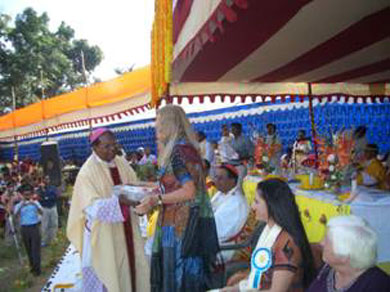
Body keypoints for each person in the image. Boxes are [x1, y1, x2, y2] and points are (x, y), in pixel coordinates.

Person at [135, 105, 219, 292]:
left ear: (168, 125)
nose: (156, 130)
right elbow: (174, 185)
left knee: (179, 278)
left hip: (180, 227)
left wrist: (155, 200)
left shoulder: (179, 153)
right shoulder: (186, 149)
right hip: (182, 224)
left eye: (158, 125)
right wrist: (140, 186)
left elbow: (189, 191)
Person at [67, 128, 149, 292]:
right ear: (95, 147)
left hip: (128, 228)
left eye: (114, 144)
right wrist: (120, 202)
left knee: (132, 271)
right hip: (104, 233)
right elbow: (92, 207)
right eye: (107, 146)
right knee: (109, 275)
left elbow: (134, 184)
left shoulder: (121, 162)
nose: (112, 149)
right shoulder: (87, 173)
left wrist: (143, 194)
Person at [222, 179, 315, 292]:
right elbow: (260, 275)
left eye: (256, 202)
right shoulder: (269, 230)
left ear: (272, 205)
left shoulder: (286, 243)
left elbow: (277, 290)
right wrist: (235, 289)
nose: (252, 207)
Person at [306, 215, 390, 291]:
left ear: (344, 256)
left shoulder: (378, 285)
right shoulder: (326, 270)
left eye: (327, 240)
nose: (321, 243)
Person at [211, 164, 249, 261]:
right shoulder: (221, 194)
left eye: (220, 178)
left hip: (225, 248)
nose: (216, 181)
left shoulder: (236, 202)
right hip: (215, 241)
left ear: (232, 181)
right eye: (216, 177)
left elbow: (219, 231)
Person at [14, 183, 43, 276]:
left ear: (31, 194)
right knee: (28, 249)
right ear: (22, 195)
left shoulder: (35, 203)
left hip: (34, 227)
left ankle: (37, 269)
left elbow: (42, 212)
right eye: (25, 195)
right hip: (24, 228)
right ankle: (32, 266)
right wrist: (21, 205)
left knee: (35, 249)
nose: (27, 196)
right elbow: (15, 215)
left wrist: (34, 204)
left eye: (29, 194)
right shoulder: (19, 205)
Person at [37, 175, 58, 247]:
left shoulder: (53, 188)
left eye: (48, 179)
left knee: (54, 223)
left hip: (53, 207)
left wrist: (46, 197)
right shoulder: (40, 189)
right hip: (45, 208)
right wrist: (43, 192)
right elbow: (40, 198)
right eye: (45, 179)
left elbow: (55, 196)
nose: (47, 180)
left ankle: (53, 239)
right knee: (44, 225)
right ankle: (44, 240)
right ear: (43, 180)